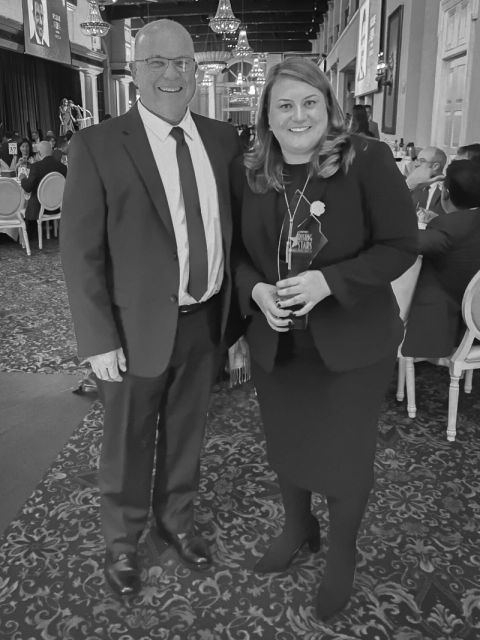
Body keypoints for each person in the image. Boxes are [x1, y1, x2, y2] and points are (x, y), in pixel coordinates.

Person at [60, 19, 243, 597]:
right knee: (127, 442)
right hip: (131, 330)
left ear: (197, 68)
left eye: (182, 62)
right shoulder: (96, 145)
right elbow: (80, 253)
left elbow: (234, 237)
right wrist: (97, 338)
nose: (171, 74)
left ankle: (177, 521)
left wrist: (234, 324)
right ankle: (122, 543)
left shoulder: (222, 140)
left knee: (188, 434)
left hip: (204, 321)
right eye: (156, 63)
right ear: (134, 73)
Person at [232, 58, 417, 621]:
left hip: (352, 344)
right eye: (284, 104)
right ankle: (298, 526)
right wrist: (257, 292)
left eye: (309, 102)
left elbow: (400, 245)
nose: (298, 115)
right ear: (266, 113)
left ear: (329, 106)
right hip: (279, 343)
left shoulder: (367, 160)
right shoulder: (253, 170)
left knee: (345, 457)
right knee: (286, 444)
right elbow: (240, 256)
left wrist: (329, 281)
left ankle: (342, 553)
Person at [402, 160, 480, 358]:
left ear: (444, 193)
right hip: (475, 321)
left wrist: (408, 187)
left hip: (450, 327)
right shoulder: (453, 225)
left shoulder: (448, 228)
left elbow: (396, 241)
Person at [21, 140, 67, 221]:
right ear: (51, 151)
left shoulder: (36, 167)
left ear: (39, 153)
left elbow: (27, 188)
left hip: (38, 209)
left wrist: (23, 178)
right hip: (57, 207)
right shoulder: (63, 167)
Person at [406, 146, 447, 216]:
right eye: (416, 160)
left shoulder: (448, 190)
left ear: (435, 166)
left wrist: (435, 218)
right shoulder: (414, 185)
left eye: (422, 161)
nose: (416, 164)